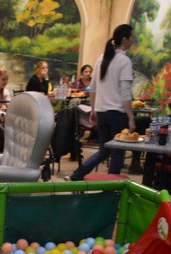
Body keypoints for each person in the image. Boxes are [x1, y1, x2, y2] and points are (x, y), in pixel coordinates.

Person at [67, 24, 136, 181]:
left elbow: (93, 88)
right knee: (118, 152)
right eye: (131, 37)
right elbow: (125, 92)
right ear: (124, 39)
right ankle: (110, 188)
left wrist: (93, 109)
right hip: (118, 113)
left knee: (104, 150)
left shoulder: (101, 58)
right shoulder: (124, 61)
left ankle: (76, 175)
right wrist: (131, 117)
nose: (133, 40)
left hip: (102, 112)